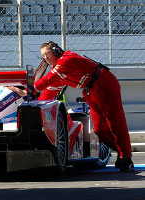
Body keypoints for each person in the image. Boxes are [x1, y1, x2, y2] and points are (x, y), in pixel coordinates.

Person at [34, 41, 134, 172]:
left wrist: (30, 89)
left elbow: (48, 80)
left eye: (47, 54)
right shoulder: (57, 70)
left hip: (104, 83)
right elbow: (50, 91)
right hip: (91, 90)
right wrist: (35, 105)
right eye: (43, 56)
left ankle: (126, 157)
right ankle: (121, 153)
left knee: (115, 122)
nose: (46, 58)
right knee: (99, 130)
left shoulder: (66, 60)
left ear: (56, 51)